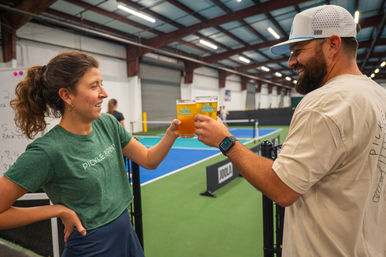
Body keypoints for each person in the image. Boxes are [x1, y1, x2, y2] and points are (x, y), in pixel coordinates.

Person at [194, 5, 386, 257]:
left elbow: (282, 188)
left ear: (332, 45)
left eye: (298, 51)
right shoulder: (378, 95)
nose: (291, 61)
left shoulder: (324, 102)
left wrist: (225, 141)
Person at [0, 51, 181, 257]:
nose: (104, 93)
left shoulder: (108, 123)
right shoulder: (47, 151)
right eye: (94, 86)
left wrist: (171, 134)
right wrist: (59, 210)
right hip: (91, 247)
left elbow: (149, 160)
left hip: (126, 235)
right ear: (67, 95)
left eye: (101, 83)